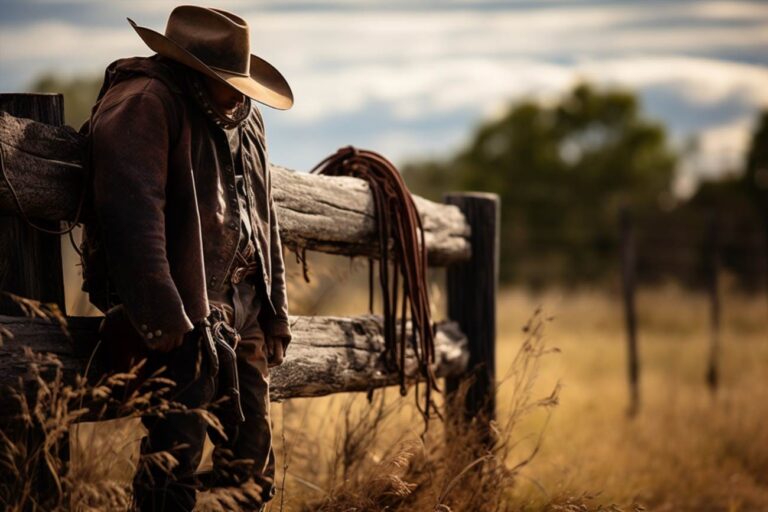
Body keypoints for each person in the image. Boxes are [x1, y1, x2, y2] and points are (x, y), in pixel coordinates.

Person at [80, 6, 294, 511]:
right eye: (230, 79)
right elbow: (131, 211)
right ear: (197, 71)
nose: (241, 91)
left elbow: (264, 218)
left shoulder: (245, 116)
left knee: (251, 465)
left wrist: (275, 309)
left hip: (242, 303)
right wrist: (160, 312)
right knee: (173, 458)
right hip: (186, 302)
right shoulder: (146, 101)